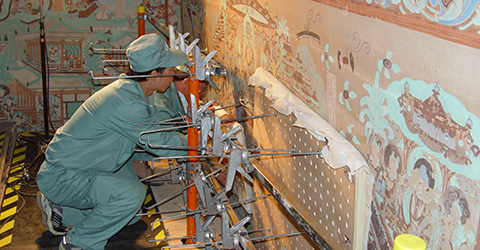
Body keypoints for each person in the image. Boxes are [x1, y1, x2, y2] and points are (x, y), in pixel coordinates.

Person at [36, 33, 189, 250]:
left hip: (79, 165)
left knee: (132, 215)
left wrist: (188, 138)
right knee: (130, 196)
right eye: (171, 70)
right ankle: (78, 243)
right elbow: (161, 143)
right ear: (154, 74)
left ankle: (61, 211)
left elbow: (155, 132)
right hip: (64, 176)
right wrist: (203, 145)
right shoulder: (127, 103)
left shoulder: (135, 90)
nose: (174, 75)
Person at [153, 66, 220, 120]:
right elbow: (170, 134)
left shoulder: (176, 98)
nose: (203, 93)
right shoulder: (161, 107)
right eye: (203, 89)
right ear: (186, 83)